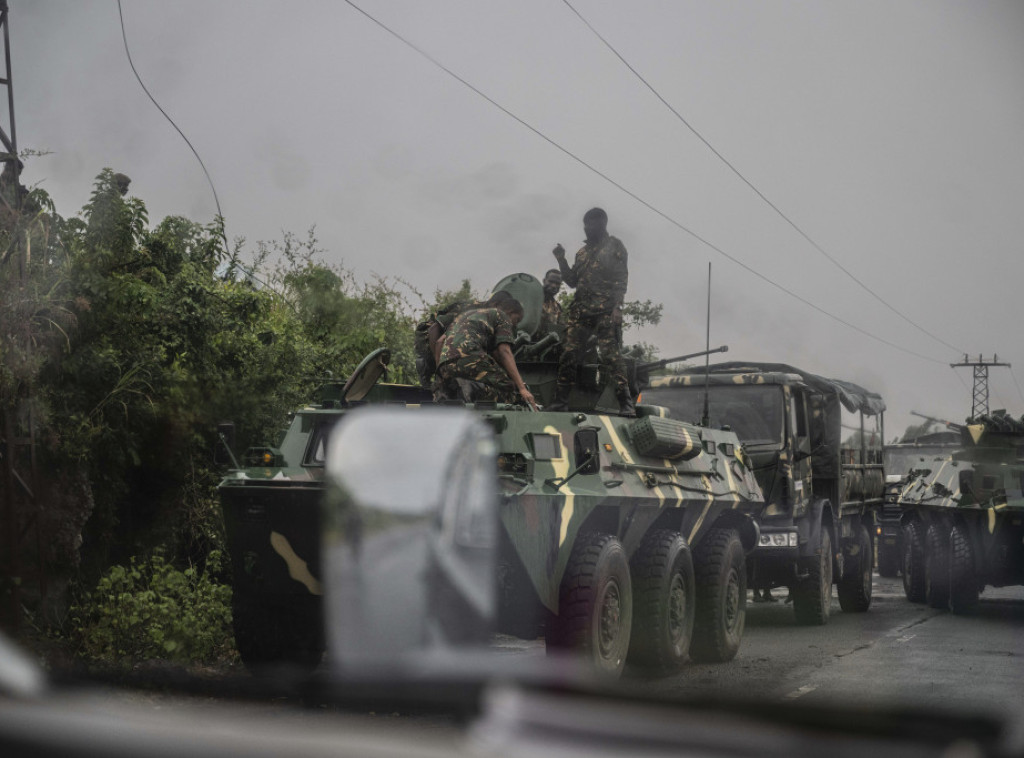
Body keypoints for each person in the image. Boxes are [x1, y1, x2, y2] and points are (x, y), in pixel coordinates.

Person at [550, 207, 633, 416]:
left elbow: (621, 279)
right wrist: (561, 259)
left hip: (605, 311)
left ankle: (626, 403)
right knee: (568, 354)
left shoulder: (615, 246)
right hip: (580, 312)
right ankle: (560, 402)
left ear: (602, 224)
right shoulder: (582, 252)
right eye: (585, 224)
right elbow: (571, 282)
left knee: (611, 356)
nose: (587, 228)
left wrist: (618, 308)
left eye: (591, 224)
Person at [436, 296, 537, 409]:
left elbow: (439, 342)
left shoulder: (466, 315)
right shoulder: (502, 315)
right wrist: (521, 388)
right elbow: (504, 351)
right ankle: (472, 388)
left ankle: (454, 391)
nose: (515, 324)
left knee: (487, 377)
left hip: (445, 363)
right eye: (517, 320)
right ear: (510, 312)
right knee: (508, 386)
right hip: (470, 356)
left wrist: (441, 370)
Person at [534, 268, 564, 337]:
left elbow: (561, 329)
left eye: (557, 283)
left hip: (547, 345)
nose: (554, 286)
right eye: (551, 281)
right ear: (544, 281)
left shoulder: (557, 308)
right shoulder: (531, 298)